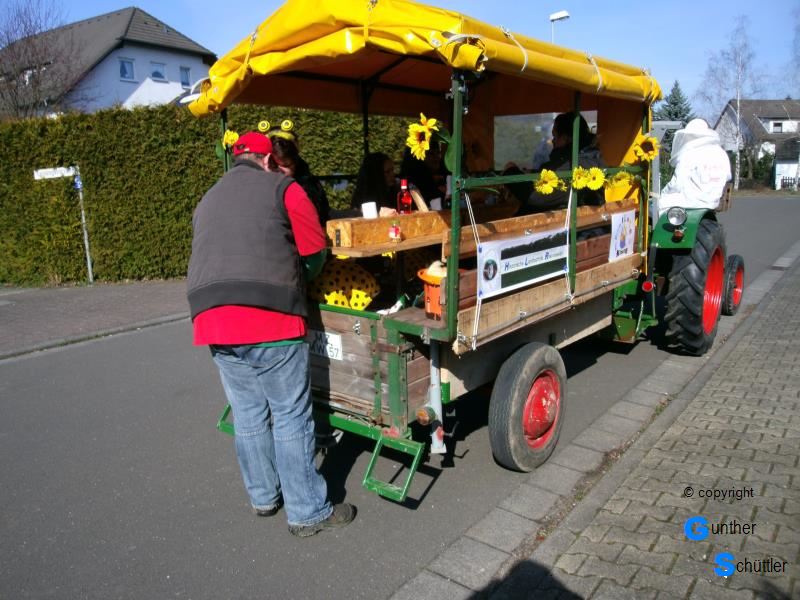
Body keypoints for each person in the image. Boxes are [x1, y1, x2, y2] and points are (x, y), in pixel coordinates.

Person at [187, 131, 355, 537]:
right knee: (290, 414)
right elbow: (314, 253)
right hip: (269, 316)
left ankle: (263, 497)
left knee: (248, 413)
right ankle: (307, 511)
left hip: (211, 317)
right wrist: (301, 279)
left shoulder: (208, 197)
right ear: (267, 160)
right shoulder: (284, 189)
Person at [524, 112, 606, 214]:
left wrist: (511, 171)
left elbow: (535, 197)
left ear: (566, 138)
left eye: (555, 136)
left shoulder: (572, 165)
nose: (552, 141)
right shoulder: (594, 158)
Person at [657, 118, 731, 215]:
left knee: (656, 206)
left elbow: (677, 184)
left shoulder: (689, 154)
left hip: (690, 202)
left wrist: (663, 193)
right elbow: (727, 176)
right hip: (713, 202)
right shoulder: (721, 153)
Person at [268, 128, 330, 226]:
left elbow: (320, 216)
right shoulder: (259, 182)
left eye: (287, 166)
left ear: (296, 161)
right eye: (274, 165)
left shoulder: (308, 185)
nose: (281, 171)